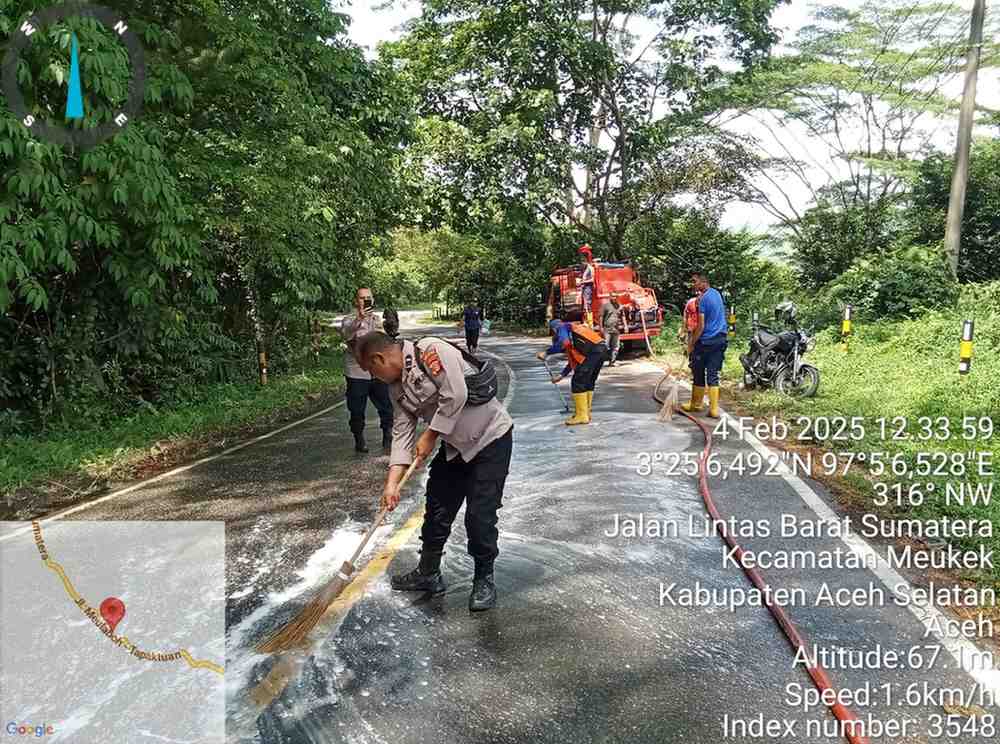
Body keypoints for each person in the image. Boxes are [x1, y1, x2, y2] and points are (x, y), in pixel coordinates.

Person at [358, 332, 514, 612]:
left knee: (479, 515)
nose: (374, 378)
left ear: (379, 358)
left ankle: (484, 578)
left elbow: (456, 394)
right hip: (456, 447)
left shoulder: (430, 351)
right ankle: (428, 572)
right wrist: (391, 484)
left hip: (490, 439)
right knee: (437, 506)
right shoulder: (396, 388)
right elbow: (402, 433)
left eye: (372, 370)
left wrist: (430, 435)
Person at [341, 288, 394, 453]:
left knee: (387, 405)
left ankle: (387, 435)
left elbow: (383, 341)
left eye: (368, 298)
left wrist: (389, 331)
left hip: (377, 369)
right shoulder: (349, 320)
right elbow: (347, 334)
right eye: (361, 298)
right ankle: (359, 438)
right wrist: (360, 318)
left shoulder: (377, 320)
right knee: (356, 409)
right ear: (356, 301)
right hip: (356, 371)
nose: (365, 301)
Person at [536, 318, 606, 425]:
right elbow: (574, 363)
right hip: (601, 349)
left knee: (578, 382)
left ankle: (582, 416)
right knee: (587, 381)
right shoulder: (574, 335)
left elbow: (563, 343)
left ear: (554, 329)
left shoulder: (562, 327)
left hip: (593, 351)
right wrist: (561, 375)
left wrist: (546, 352)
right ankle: (585, 413)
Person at [682, 272, 727, 418]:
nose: (693, 284)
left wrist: (691, 343)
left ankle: (696, 404)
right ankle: (714, 409)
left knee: (698, 371)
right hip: (720, 339)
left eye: (695, 281)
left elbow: (701, 326)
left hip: (706, 341)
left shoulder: (703, 300)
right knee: (713, 374)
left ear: (703, 282)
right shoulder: (717, 294)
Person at [600, 295, 627, 366]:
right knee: (606, 346)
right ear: (610, 297)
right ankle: (600, 361)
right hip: (607, 329)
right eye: (612, 296)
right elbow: (601, 317)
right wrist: (601, 327)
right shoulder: (605, 306)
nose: (614, 298)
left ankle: (612, 362)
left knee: (616, 346)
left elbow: (623, 316)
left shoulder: (619, 306)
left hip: (616, 329)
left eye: (615, 296)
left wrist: (625, 326)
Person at [578, 244, 596, 327]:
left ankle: (590, 323)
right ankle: (586, 322)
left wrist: (583, 282)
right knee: (585, 304)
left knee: (587, 304)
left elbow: (592, 279)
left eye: (583, 260)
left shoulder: (590, 268)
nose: (582, 262)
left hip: (588, 287)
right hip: (585, 287)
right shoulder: (585, 269)